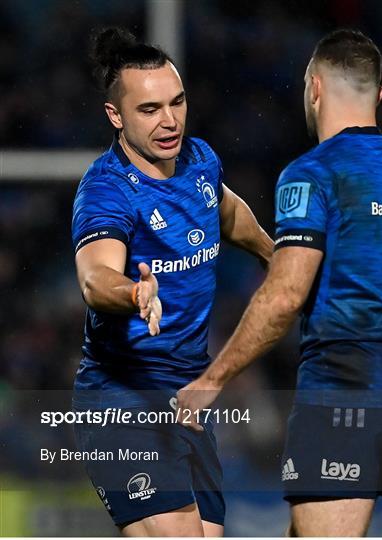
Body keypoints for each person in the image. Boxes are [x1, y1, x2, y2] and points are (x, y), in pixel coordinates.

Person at [177, 29, 382, 537]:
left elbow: (285, 294)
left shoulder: (315, 172)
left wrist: (212, 381)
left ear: (314, 88)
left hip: (345, 383)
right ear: (377, 95)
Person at [71, 27, 273, 537]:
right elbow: (96, 278)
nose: (169, 121)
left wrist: (278, 256)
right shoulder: (107, 190)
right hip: (121, 396)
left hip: (185, 398)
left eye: (177, 103)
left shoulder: (200, 161)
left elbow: (226, 212)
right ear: (116, 116)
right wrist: (134, 293)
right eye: (149, 109)